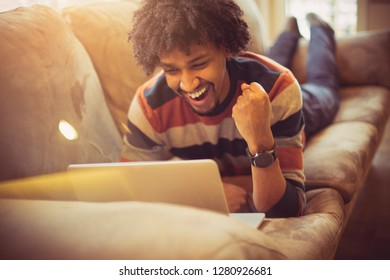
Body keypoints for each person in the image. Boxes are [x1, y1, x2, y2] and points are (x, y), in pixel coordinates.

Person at [121, 0, 339, 218]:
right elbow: (128, 190)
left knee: (323, 86)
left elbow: (286, 209)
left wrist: (260, 139)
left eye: (199, 64)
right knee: (270, 64)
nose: (188, 84)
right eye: (172, 70)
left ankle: (320, 30)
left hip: (294, 112)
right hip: (249, 75)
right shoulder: (149, 106)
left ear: (226, 48)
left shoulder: (279, 89)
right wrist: (206, 194)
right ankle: (289, 34)